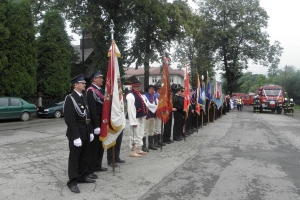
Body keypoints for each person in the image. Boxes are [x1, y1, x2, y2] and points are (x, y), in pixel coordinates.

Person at [64, 74, 95, 193]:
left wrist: (91, 131)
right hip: (76, 131)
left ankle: (82, 176)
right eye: (82, 83)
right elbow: (70, 119)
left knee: (85, 156)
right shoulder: (70, 98)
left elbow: (88, 116)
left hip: (86, 129)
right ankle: (72, 182)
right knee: (74, 158)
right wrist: (76, 136)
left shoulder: (83, 97)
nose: (84, 84)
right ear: (76, 85)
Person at [86, 70, 108, 178]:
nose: (102, 79)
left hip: (102, 121)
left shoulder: (100, 90)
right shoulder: (91, 91)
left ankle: (98, 165)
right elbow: (92, 110)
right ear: (94, 79)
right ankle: (90, 169)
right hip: (96, 122)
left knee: (101, 145)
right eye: (100, 78)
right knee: (94, 147)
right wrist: (95, 125)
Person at [107, 79, 126, 167]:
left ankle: (117, 157)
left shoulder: (120, 93)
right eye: (117, 82)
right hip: (113, 120)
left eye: (119, 82)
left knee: (119, 140)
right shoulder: (111, 93)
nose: (119, 84)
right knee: (112, 140)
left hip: (120, 120)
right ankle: (110, 159)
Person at [126, 80, 148, 157]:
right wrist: (133, 121)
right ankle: (132, 150)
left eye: (138, 86)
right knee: (133, 135)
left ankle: (138, 148)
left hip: (141, 116)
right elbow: (131, 109)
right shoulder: (130, 95)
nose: (138, 88)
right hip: (135, 118)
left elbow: (145, 104)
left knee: (140, 134)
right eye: (136, 86)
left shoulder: (140, 95)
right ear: (132, 87)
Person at [143, 85, 159, 151]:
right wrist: (155, 107)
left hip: (153, 115)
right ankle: (143, 146)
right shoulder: (144, 97)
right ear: (148, 90)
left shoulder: (155, 98)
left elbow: (157, 104)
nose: (152, 90)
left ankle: (151, 144)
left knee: (151, 130)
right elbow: (148, 105)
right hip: (147, 115)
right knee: (145, 130)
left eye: (153, 89)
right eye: (150, 89)